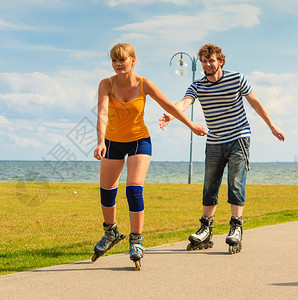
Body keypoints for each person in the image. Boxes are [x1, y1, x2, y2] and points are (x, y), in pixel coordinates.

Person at [159, 43, 285, 254]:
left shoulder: (236, 78)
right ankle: (206, 228)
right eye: (204, 61)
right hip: (215, 140)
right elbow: (184, 102)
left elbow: (255, 103)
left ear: (220, 61)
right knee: (210, 184)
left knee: (235, 181)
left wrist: (272, 126)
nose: (208, 64)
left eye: (211, 60)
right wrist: (171, 115)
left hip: (239, 137)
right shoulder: (198, 86)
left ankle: (236, 226)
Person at [91, 43, 207, 268]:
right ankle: (111, 232)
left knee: (133, 188)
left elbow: (169, 106)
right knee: (106, 191)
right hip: (112, 143)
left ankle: (136, 239)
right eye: (114, 61)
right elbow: (102, 113)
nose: (117, 64)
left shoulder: (145, 84)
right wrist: (99, 142)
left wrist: (191, 125)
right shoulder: (106, 84)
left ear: (133, 60)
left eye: (122, 60)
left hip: (138, 141)